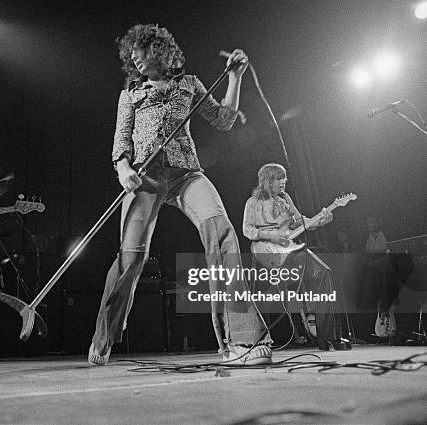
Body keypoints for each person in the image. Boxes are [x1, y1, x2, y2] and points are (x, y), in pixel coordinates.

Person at [89, 24, 272, 366]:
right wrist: (123, 169)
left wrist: (235, 78)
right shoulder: (129, 94)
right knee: (131, 260)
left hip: (187, 174)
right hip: (145, 178)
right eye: (132, 55)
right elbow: (121, 140)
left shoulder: (190, 84)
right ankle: (105, 337)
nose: (134, 58)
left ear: (161, 51)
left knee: (222, 233)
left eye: (140, 52)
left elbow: (223, 119)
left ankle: (243, 339)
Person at [242, 163, 351, 350]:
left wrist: (322, 220)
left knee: (323, 273)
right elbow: (247, 229)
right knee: (259, 296)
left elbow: (301, 222)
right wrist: (271, 235)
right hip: (266, 252)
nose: (283, 181)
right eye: (278, 178)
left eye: (284, 177)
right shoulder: (253, 202)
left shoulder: (285, 198)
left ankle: (328, 337)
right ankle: (258, 340)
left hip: (291, 250)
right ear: (267, 180)